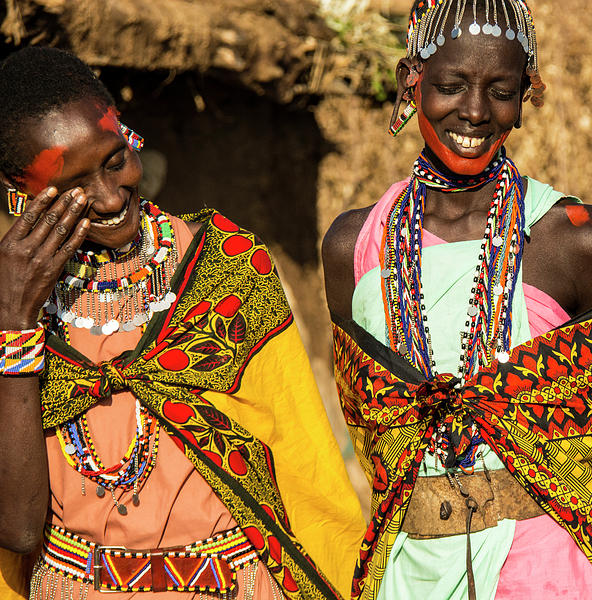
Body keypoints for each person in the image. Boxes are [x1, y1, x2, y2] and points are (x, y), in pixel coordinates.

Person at [322, 1, 592, 598]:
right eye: (450, 85)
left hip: (551, 568)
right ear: (410, 81)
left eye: (500, 89)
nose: (474, 111)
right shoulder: (353, 246)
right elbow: (377, 444)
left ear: (527, 92)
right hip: (410, 569)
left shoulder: (576, 238)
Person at [0, 47, 363, 600]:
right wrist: (16, 324)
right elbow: (18, 528)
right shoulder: (9, 311)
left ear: (129, 136)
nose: (107, 197)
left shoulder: (228, 271)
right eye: (71, 188)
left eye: (115, 160)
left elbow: (306, 469)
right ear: (17, 193)